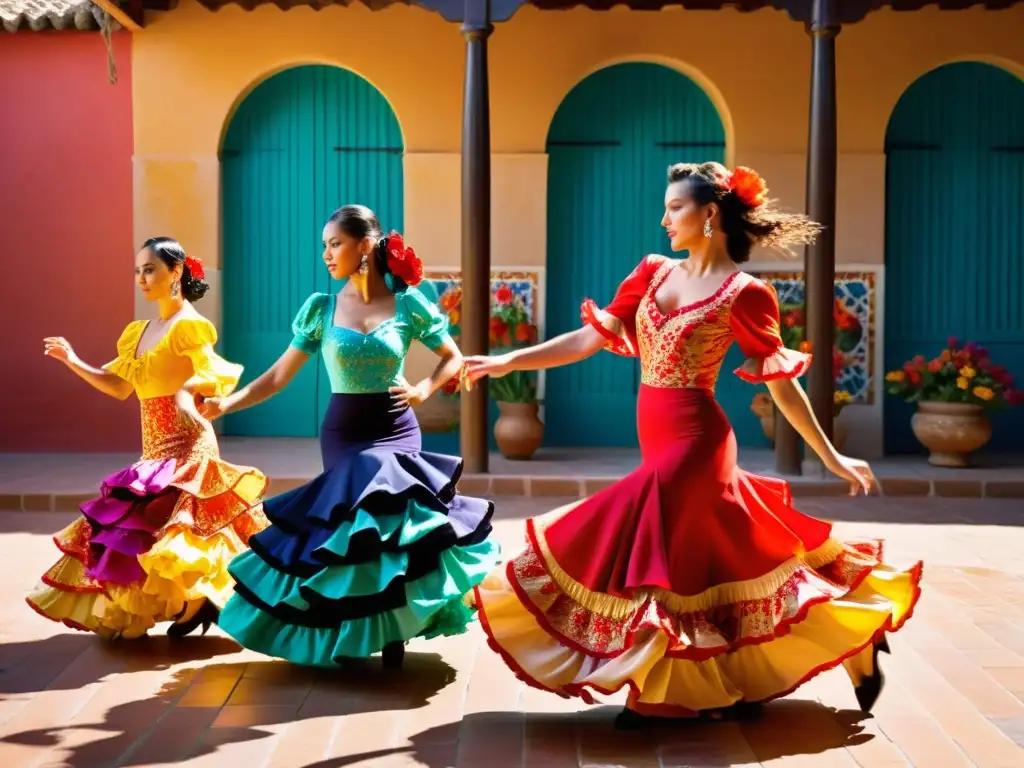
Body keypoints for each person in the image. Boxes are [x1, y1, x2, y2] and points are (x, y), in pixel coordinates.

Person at [464, 163, 922, 728]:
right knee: (723, 564)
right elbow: (587, 339)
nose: (663, 219)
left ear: (709, 214)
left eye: (674, 207)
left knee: (650, 551)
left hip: (697, 443)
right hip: (656, 437)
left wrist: (829, 456)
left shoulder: (746, 293)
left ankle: (666, 691)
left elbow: (783, 385)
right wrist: (507, 360)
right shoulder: (653, 272)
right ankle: (843, 647)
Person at [200, 205, 500, 669]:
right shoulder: (322, 308)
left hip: (396, 428)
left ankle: (394, 631)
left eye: (334, 243)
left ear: (365, 246)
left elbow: (452, 357)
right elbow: (279, 376)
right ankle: (354, 629)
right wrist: (226, 405)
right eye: (324, 245)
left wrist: (423, 388)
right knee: (354, 528)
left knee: (390, 524)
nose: (326, 254)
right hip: (344, 433)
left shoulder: (409, 304)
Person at [29, 237, 269, 639]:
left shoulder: (189, 324)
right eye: (138, 270)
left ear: (175, 273)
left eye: (150, 269)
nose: (142, 278)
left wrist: (188, 391)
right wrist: (72, 361)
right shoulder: (138, 332)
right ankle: (193, 605)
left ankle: (206, 602)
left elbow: (212, 371)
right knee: (142, 526)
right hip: (154, 448)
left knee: (187, 530)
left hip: (189, 440)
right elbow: (119, 386)